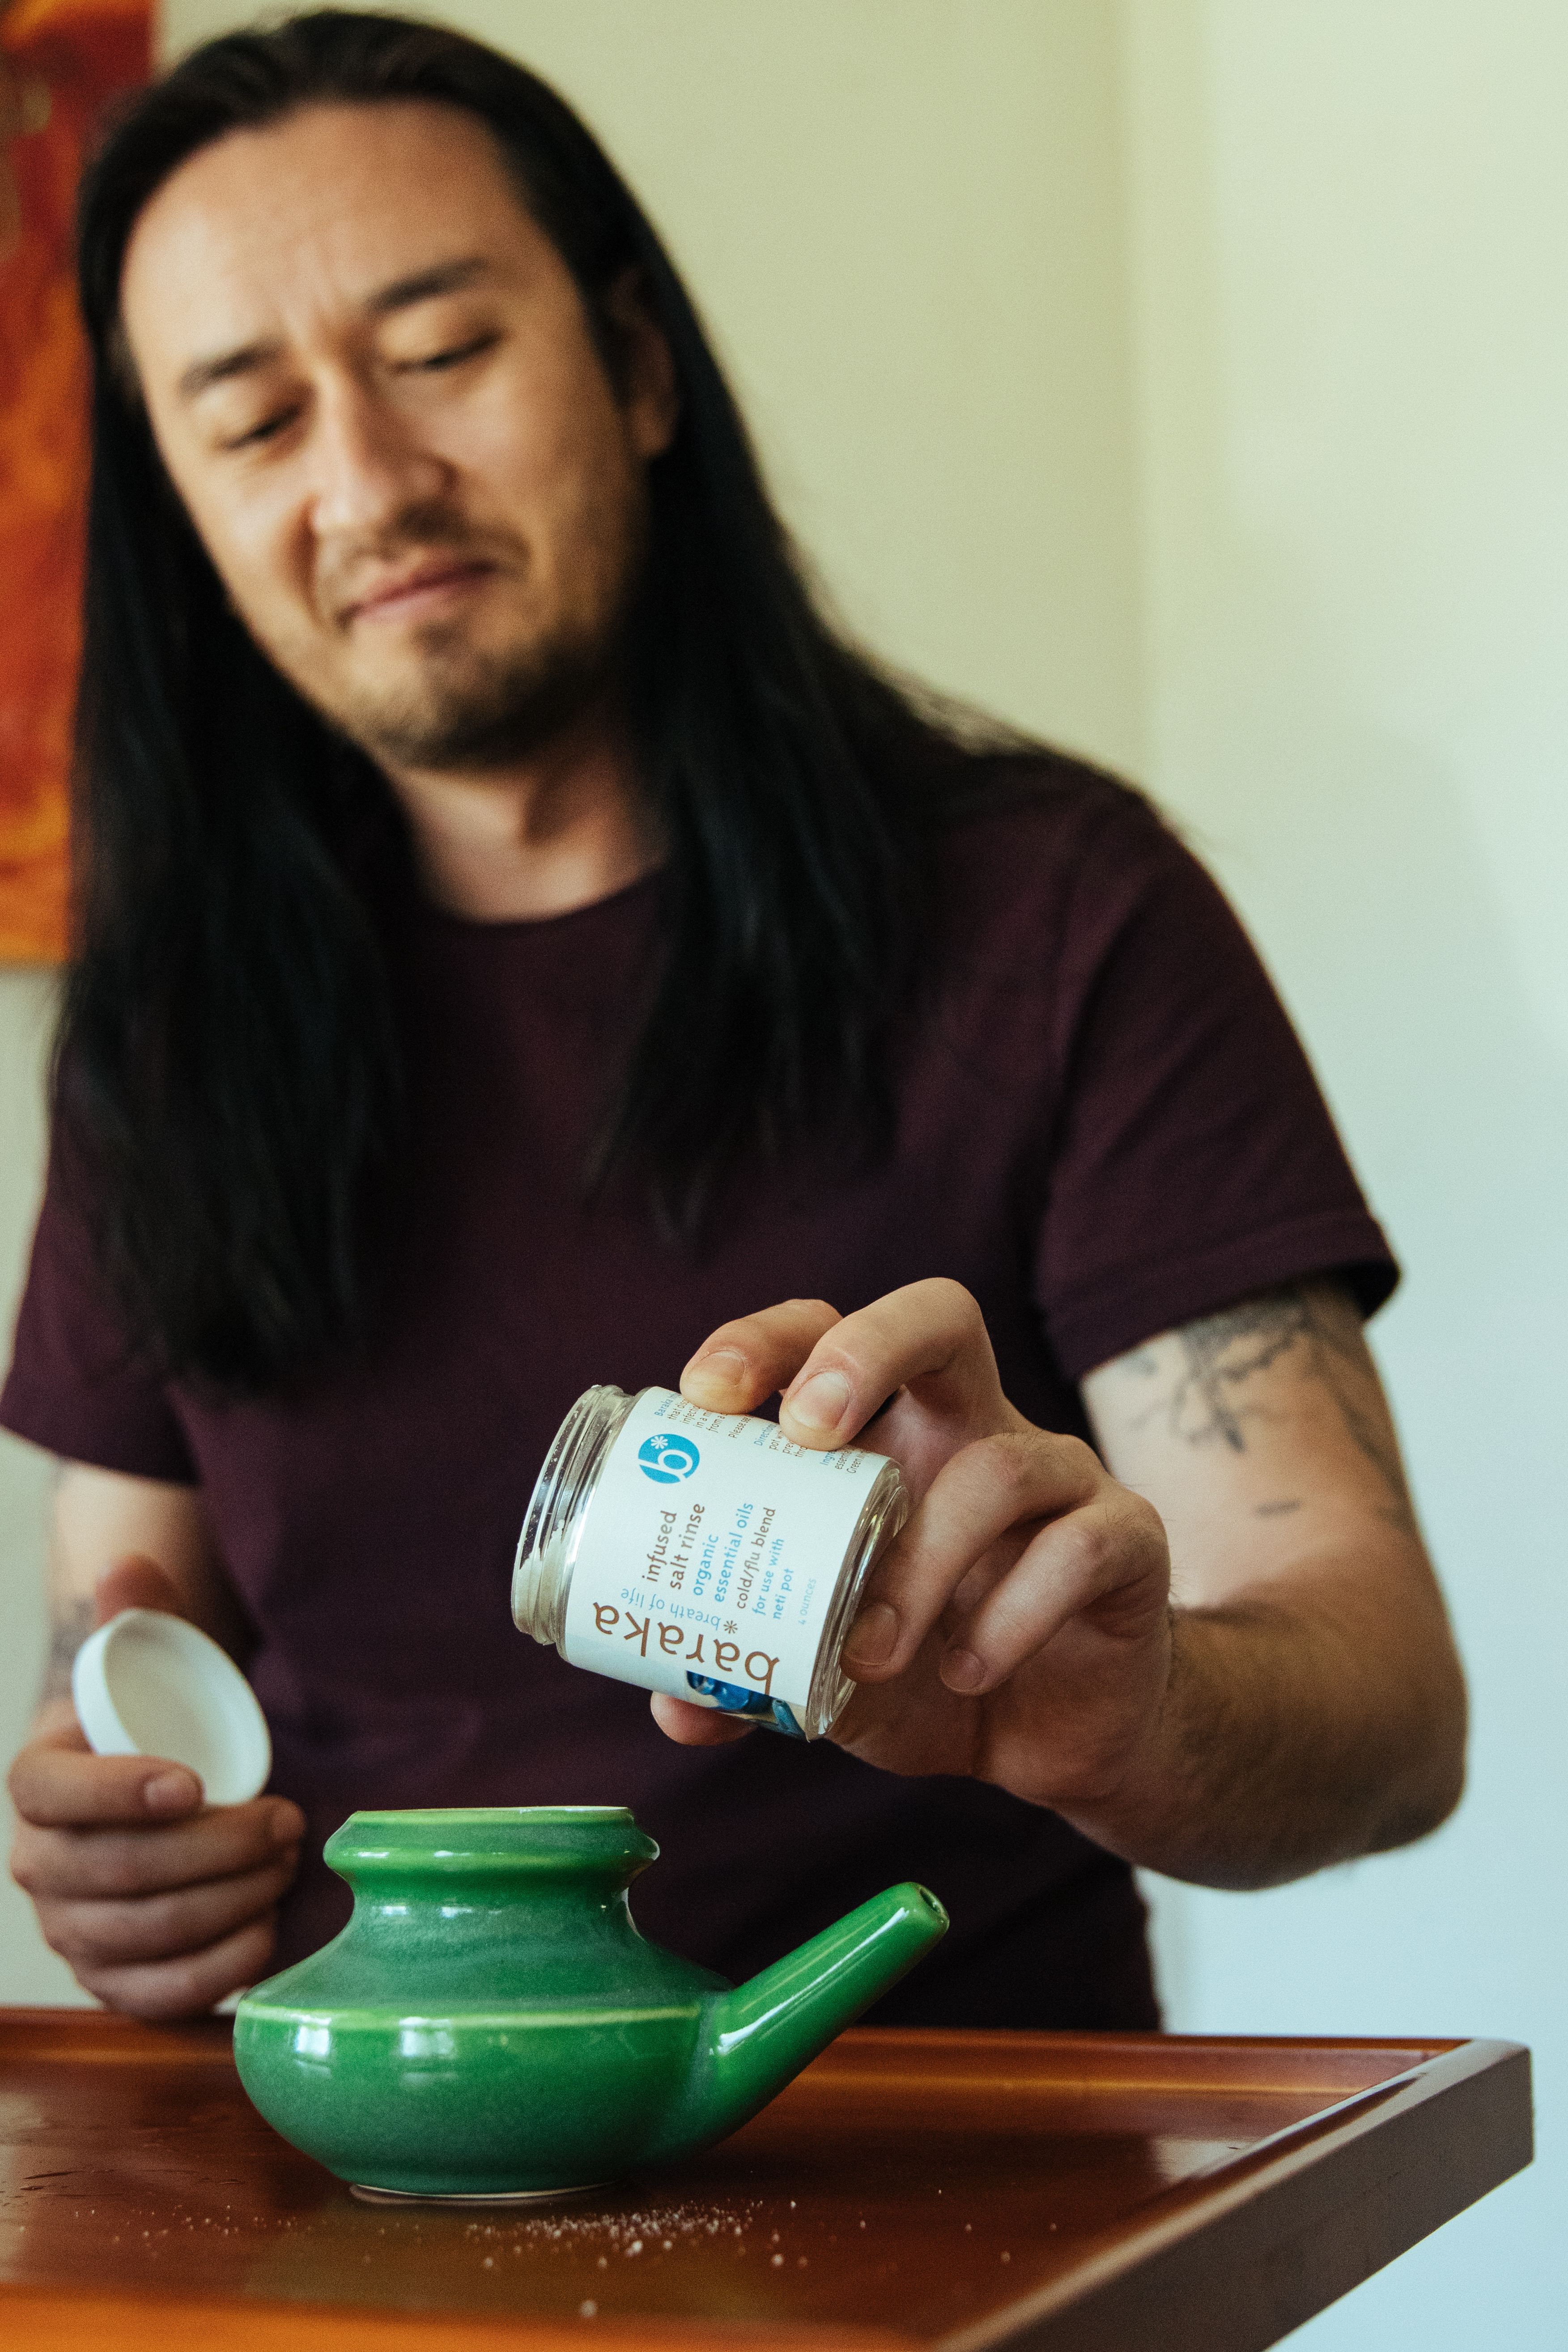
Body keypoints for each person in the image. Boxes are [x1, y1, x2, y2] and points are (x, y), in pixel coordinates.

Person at [4, 11, 1465, 2026]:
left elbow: (1384, 1707)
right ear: (178, 509)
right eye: (249, 420)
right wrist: (117, 1842)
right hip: (358, 2196)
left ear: (637, 365)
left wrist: (1123, 1717)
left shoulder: (1058, 913)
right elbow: (125, 1644)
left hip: (963, 2204)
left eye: (441, 353)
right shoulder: (164, 1035)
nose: (366, 478)